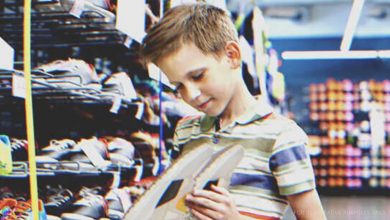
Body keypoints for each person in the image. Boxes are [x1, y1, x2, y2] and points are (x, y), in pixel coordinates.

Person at [140, 3, 326, 220]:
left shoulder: (282, 136)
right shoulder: (186, 131)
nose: (191, 95)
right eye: (178, 86)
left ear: (232, 55)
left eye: (198, 76)